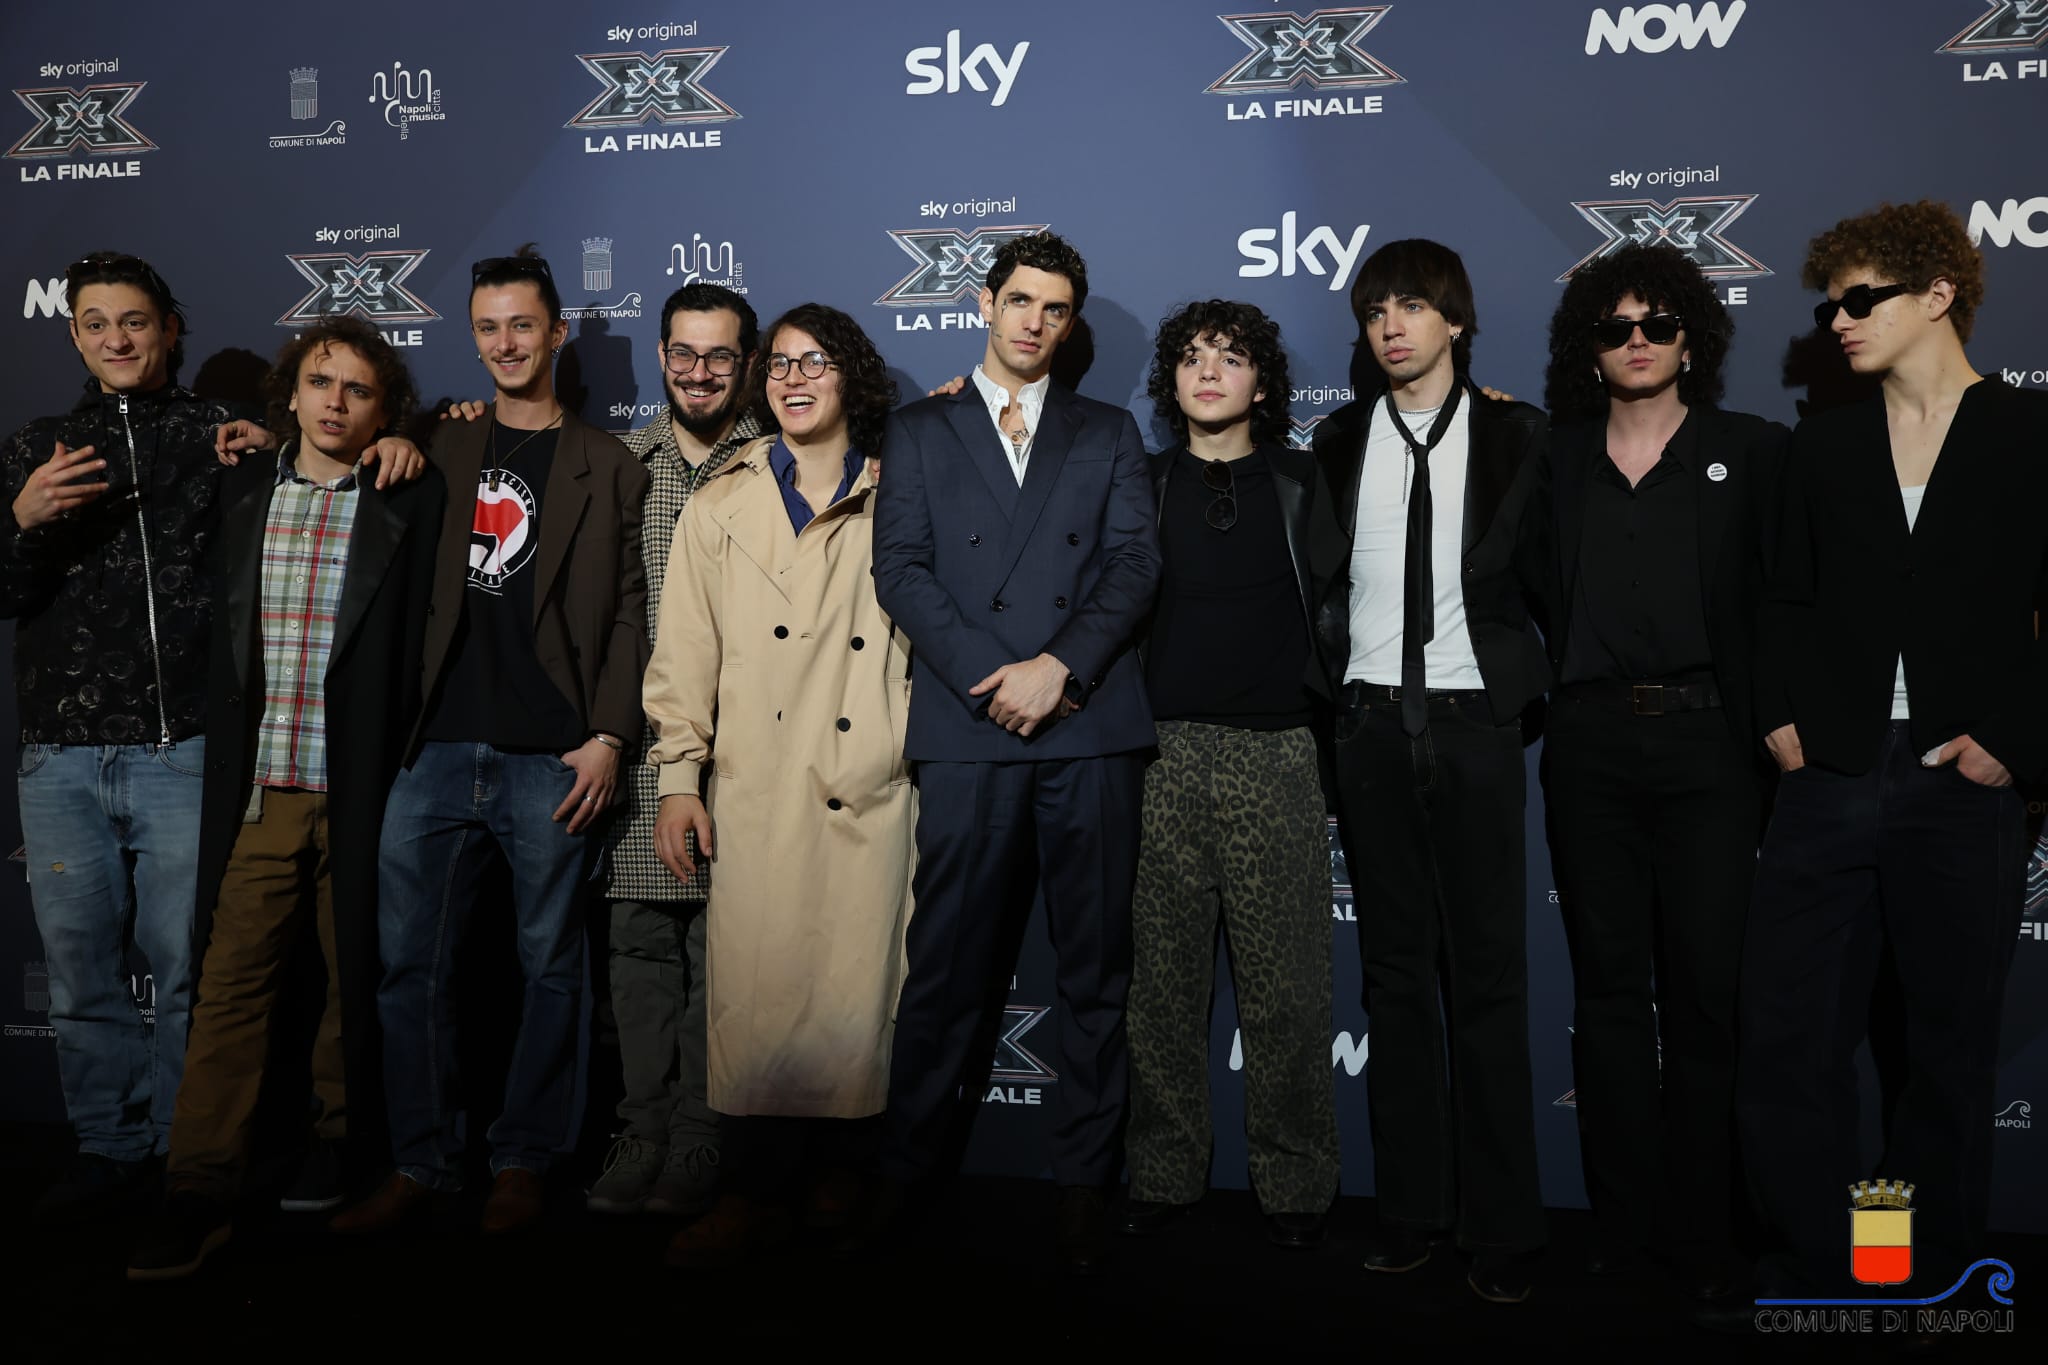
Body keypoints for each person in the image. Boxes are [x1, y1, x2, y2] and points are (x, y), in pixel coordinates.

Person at [0, 252, 418, 1218]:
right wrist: (19, 520)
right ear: (73, 335)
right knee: (79, 975)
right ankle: (108, 1144)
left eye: (135, 320)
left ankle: (182, 1149)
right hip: (59, 750)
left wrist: (406, 437)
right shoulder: (34, 447)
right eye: (96, 323)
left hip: (184, 746)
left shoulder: (223, 441)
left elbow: (331, 460)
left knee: (192, 969)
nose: (117, 338)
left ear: (169, 328)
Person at [1739, 200, 2048, 1301]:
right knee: (1790, 1040)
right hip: (1826, 776)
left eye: (1860, 299)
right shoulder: (1823, 444)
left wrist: (2014, 744)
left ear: (1937, 295)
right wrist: (1781, 717)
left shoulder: (2028, 433)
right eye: (1830, 304)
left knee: (1941, 1057)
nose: (1838, 320)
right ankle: (1828, 1266)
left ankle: (1912, 1276)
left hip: (1960, 784)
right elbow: (1780, 595)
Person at [332, 246, 649, 1236]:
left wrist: (609, 732)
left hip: (550, 754)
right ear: (471, 337)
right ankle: (422, 1161)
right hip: (431, 750)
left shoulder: (610, 463)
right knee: (407, 969)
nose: (505, 343)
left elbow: (632, 613)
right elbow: (327, 449)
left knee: (550, 969)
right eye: (487, 327)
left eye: (521, 324)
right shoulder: (440, 439)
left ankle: (524, 1160)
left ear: (556, 332)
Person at [125, 317, 446, 1279]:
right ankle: (198, 1186)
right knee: (229, 989)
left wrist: (419, 444)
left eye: (358, 389)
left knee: (358, 984)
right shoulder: (242, 485)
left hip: (366, 791)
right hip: (263, 789)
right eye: (320, 382)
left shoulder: (408, 494)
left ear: (385, 410)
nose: (336, 402)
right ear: (292, 393)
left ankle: (343, 1145)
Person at [871, 230, 1161, 1274]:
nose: (1035, 321)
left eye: (1056, 308)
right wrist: (996, 675)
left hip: (1087, 727)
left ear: (1070, 324)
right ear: (984, 303)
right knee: (944, 969)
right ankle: (908, 1172)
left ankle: (1082, 1178)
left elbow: (1133, 565)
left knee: (1093, 970)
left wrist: (1058, 668)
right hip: (968, 726)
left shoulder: (1108, 430)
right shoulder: (919, 428)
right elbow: (900, 569)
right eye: (1021, 300)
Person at [1531, 243, 1786, 1298]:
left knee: (1706, 996)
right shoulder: (1548, 460)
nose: (1636, 341)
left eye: (1657, 324)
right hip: (1588, 745)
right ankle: (1622, 1225)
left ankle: (1703, 1229)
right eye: (1614, 327)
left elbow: (1794, 598)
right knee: (1606, 994)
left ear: (1691, 337)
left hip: (1712, 747)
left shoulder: (1752, 451)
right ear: (1588, 345)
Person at [643, 303, 915, 1268]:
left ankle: (843, 1177)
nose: (796, 380)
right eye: (783, 364)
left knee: (856, 995)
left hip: (867, 784)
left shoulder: (904, 491)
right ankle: (751, 1191)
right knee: (755, 999)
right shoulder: (720, 503)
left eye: (818, 362)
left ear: (853, 377)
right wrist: (678, 778)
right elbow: (685, 654)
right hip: (754, 786)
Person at [1310, 238, 1549, 1302]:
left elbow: (1559, 574)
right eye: (1375, 312)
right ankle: (1412, 1208)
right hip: (1367, 723)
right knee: (1394, 978)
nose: (1391, 327)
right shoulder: (1334, 440)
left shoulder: (1516, 434)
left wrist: (1517, 695)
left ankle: (1502, 1224)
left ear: (1455, 320)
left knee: (1488, 980)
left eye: (1412, 306)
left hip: (1473, 724)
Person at [1117, 299, 1340, 1250]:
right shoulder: (1140, 483)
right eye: (1193, 357)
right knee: (1160, 989)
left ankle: (1296, 1184)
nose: (1210, 372)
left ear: (1262, 381)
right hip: (1158, 754)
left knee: (1288, 988)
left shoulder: (1307, 480)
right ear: (1171, 379)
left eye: (1232, 357)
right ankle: (1163, 1172)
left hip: (1277, 751)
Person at [587, 283, 768, 1218]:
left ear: (748, 363)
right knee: (640, 946)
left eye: (720, 355)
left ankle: (704, 1136)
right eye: (684, 354)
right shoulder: (619, 463)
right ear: (661, 357)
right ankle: (642, 1131)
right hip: (642, 751)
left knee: (726, 956)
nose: (700, 372)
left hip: (751, 755)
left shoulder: (783, 461)